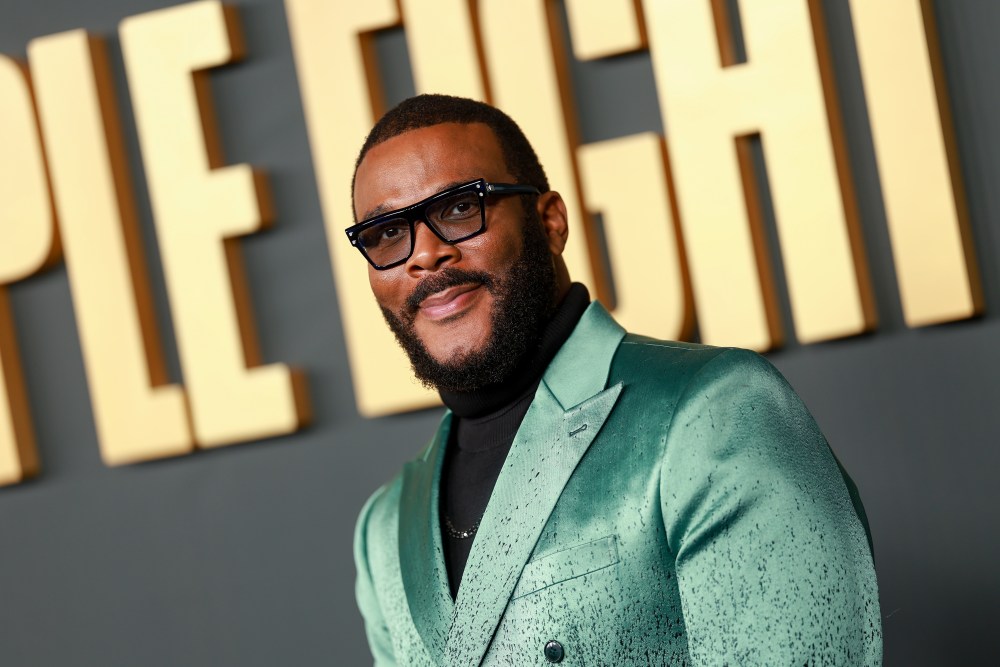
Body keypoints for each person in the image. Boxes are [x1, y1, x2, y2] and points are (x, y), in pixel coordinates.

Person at [348, 94, 881, 666]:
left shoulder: (716, 412)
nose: (424, 254)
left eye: (458, 208)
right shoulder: (385, 528)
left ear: (550, 221)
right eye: (386, 233)